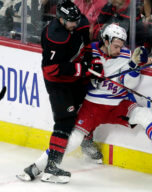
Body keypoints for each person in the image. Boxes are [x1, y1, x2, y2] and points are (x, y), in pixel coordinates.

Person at [17, 23, 152, 184]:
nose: (120, 49)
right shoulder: (89, 50)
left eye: (121, 46)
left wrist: (134, 65)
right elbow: (72, 69)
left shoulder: (126, 55)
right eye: (116, 46)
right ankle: (37, 167)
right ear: (106, 40)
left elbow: (130, 83)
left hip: (118, 105)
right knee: (73, 139)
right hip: (92, 106)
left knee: (144, 114)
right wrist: (87, 74)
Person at [16, 0, 105, 183]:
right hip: (58, 83)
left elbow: (86, 45)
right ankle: (51, 168)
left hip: (76, 80)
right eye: (71, 21)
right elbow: (52, 70)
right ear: (61, 19)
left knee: (82, 111)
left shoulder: (79, 23)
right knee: (65, 122)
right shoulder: (54, 35)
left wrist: (91, 62)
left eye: (76, 19)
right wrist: (83, 69)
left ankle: (85, 142)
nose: (75, 23)